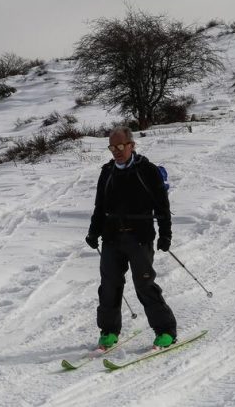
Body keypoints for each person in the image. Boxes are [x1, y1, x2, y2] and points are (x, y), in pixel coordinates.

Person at [85, 126, 177, 349]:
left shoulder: (147, 170)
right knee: (109, 286)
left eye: (120, 146)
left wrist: (165, 234)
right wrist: (93, 231)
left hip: (139, 237)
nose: (115, 151)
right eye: (112, 147)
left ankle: (166, 331)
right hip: (111, 238)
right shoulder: (107, 172)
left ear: (131, 145)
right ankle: (108, 331)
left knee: (144, 284)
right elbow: (100, 206)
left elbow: (162, 206)